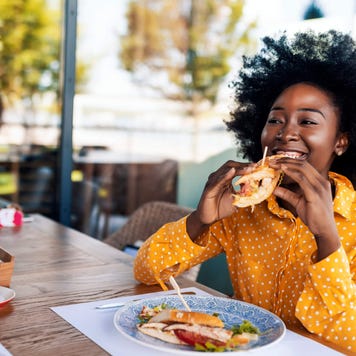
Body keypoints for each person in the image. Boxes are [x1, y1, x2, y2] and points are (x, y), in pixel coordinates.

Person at [134, 30, 356, 353]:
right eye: (275, 120)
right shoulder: (245, 208)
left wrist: (326, 238)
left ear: (341, 140)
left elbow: (349, 338)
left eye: (308, 121)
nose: (286, 132)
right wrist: (200, 219)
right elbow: (145, 269)